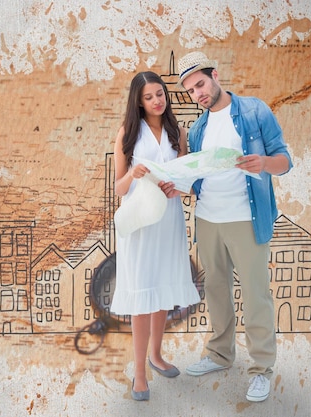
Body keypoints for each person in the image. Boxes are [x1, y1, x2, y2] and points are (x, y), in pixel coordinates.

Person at [177, 51, 293, 402]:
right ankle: (220, 354)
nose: (198, 93)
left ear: (214, 75)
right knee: (216, 290)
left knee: (256, 294)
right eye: (191, 91)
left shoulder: (255, 111)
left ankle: (261, 370)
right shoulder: (198, 128)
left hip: (246, 218)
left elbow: (284, 161)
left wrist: (263, 163)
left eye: (200, 84)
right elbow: (196, 173)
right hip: (208, 219)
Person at [110, 71, 201, 401]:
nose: (157, 101)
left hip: (169, 219)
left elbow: (185, 177)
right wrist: (133, 173)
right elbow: (118, 187)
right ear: (138, 100)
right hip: (140, 221)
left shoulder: (178, 131)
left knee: (162, 288)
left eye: (160, 94)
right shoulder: (127, 134)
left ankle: (157, 355)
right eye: (149, 97)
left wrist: (175, 186)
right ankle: (139, 373)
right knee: (142, 292)